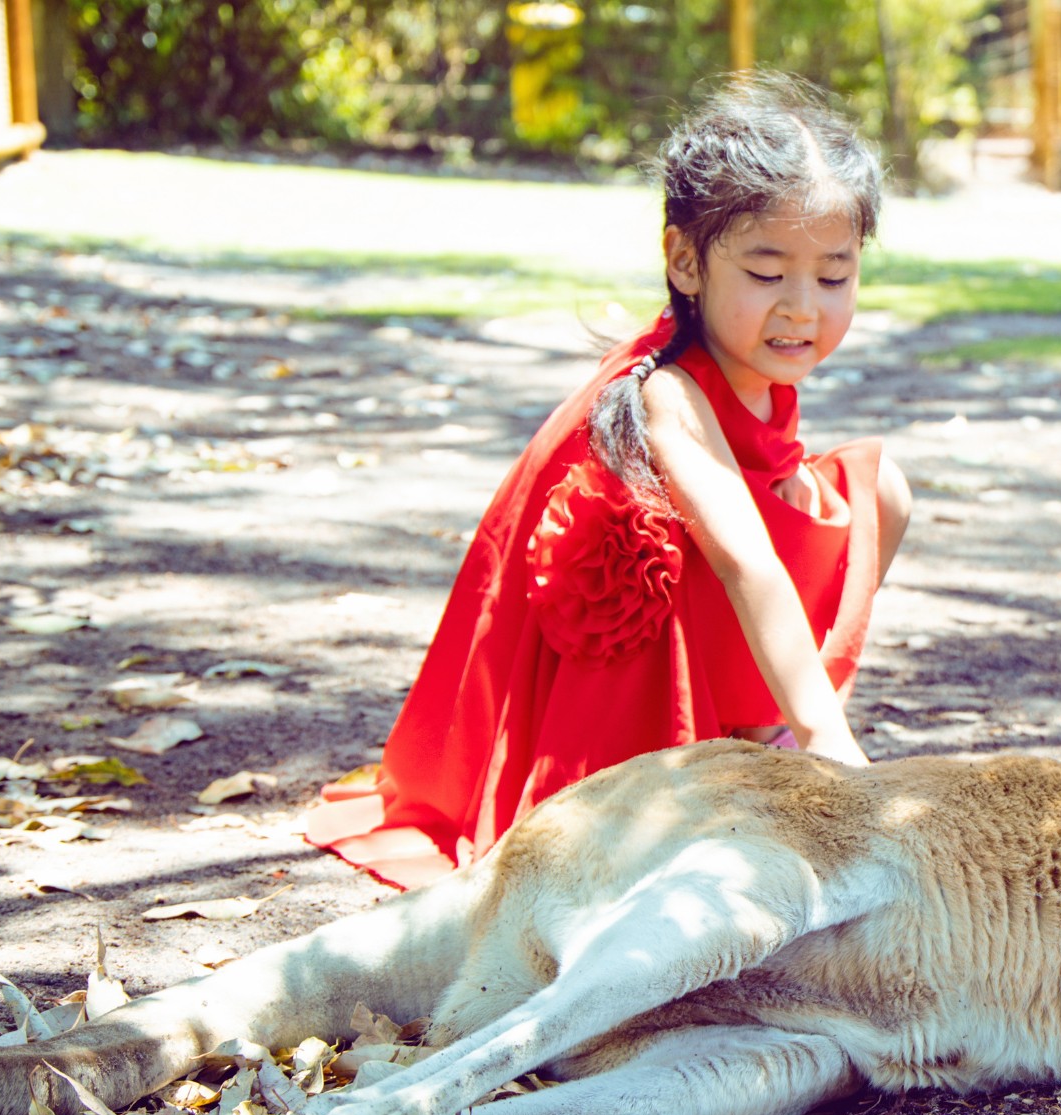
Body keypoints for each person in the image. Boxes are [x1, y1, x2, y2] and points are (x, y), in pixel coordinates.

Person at [307, 76, 911, 889]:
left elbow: (774, 501)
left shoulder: (759, 367)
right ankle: (796, 731)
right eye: (768, 273)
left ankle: (773, 729)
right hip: (643, 669)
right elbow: (747, 561)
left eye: (833, 277)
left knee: (880, 492)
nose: (803, 307)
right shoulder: (671, 390)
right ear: (685, 262)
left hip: (726, 628)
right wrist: (834, 742)